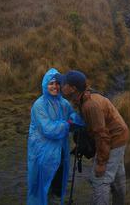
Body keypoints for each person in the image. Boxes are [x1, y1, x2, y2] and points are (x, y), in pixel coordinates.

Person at [59, 70, 129, 205]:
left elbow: (101, 135)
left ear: (73, 89)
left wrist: (101, 163)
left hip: (113, 139)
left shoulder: (90, 105)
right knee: (117, 175)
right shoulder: (85, 96)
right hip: (120, 135)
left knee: (100, 180)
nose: (61, 85)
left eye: (64, 84)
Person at [27, 68, 84, 205]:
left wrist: (77, 120)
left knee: (58, 182)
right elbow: (48, 129)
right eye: (51, 83)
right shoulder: (39, 105)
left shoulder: (63, 103)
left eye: (57, 83)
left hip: (60, 151)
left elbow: (74, 117)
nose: (55, 86)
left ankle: (56, 199)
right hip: (42, 153)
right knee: (41, 184)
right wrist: (67, 124)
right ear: (45, 85)